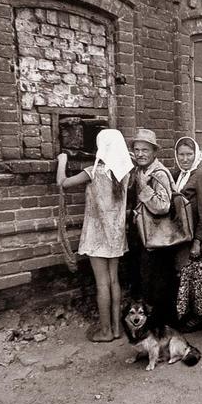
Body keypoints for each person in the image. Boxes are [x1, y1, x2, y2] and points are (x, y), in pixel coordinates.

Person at [56, 129, 132, 342]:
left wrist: (62, 161)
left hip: (97, 235)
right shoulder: (124, 173)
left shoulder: (93, 171)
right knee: (114, 281)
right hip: (116, 235)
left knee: (102, 284)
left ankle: (105, 332)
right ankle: (117, 329)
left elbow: (62, 183)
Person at [126, 128, 178, 324]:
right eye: (137, 149)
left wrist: (144, 187)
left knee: (158, 285)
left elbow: (163, 206)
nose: (140, 154)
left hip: (159, 238)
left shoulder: (159, 174)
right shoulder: (140, 171)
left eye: (145, 150)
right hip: (145, 236)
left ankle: (163, 327)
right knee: (146, 283)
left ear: (154, 152)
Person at [172, 136, 202, 332]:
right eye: (181, 154)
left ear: (196, 154)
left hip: (198, 236)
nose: (184, 158)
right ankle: (188, 315)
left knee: (199, 279)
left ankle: (200, 317)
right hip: (184, 235)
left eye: (189, 154)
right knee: (187, 278)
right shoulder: (182, 174)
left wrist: (198, 241)